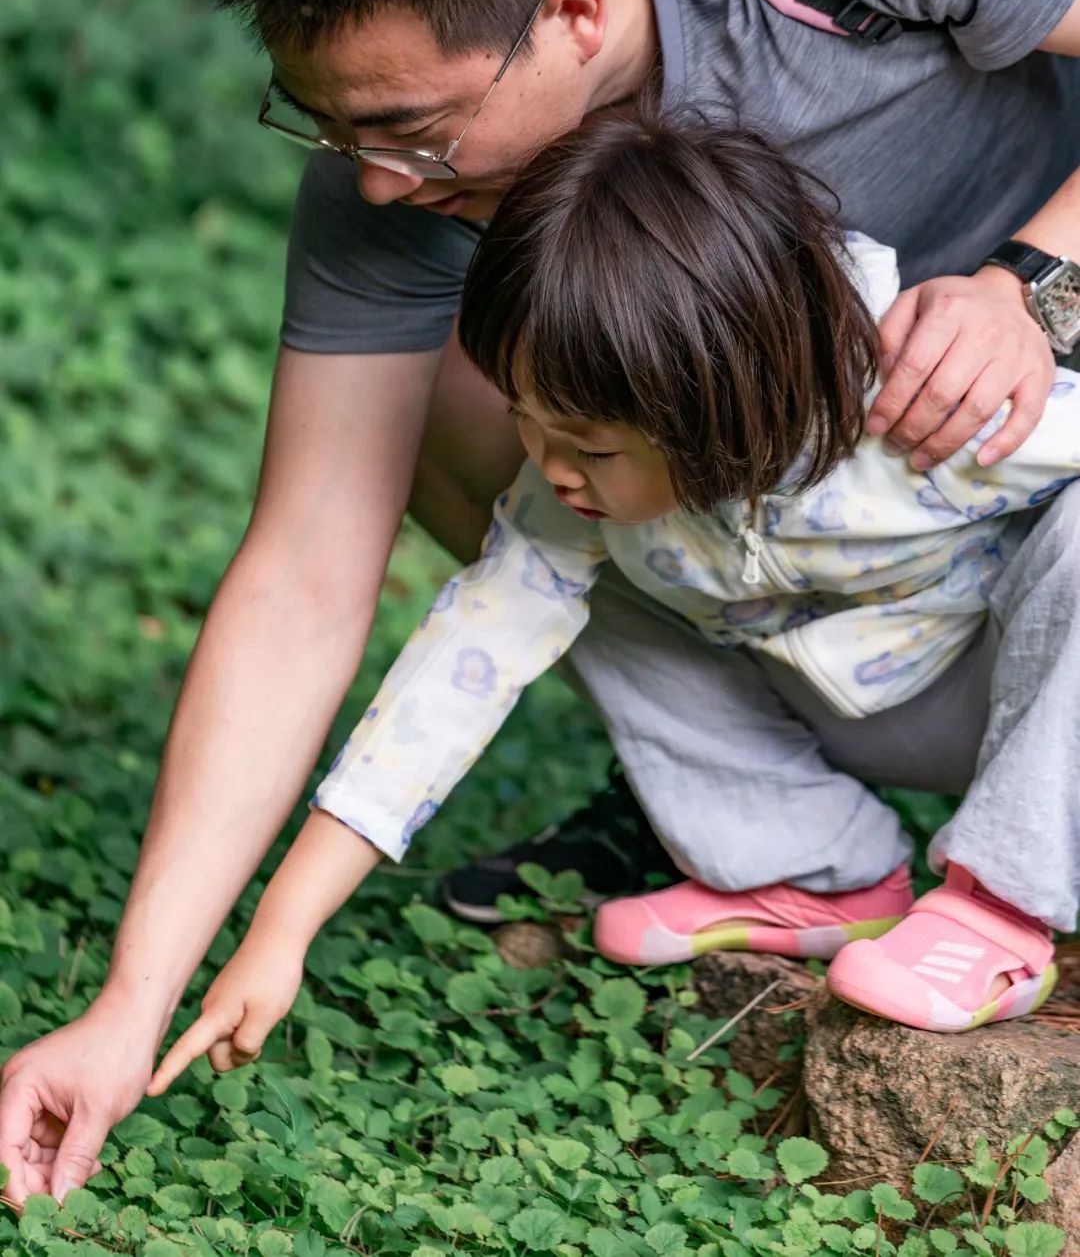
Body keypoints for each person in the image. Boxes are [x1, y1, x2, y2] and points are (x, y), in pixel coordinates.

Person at [4, 0, 1080, 1205]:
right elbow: (309, 568)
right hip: (821, 565)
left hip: (1024, 471)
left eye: (413, 130)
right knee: (508, 438)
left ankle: (1014, 878)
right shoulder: (384, 185)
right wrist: (131, 1001)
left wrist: (1039, 284)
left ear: (577, 7)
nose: (379, 179)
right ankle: (803, 854)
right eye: (324, 124)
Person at [141, 108, 1076, 1094]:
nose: (548, 464)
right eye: (527, 419)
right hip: (827, 701)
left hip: (1010, 708)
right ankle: (814, 866)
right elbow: (453, 678)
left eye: (587, 444)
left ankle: (1002, 905)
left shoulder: (928, 411)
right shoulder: (577, 490)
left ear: (721, 398)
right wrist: (282, 929)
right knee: (547, 574)